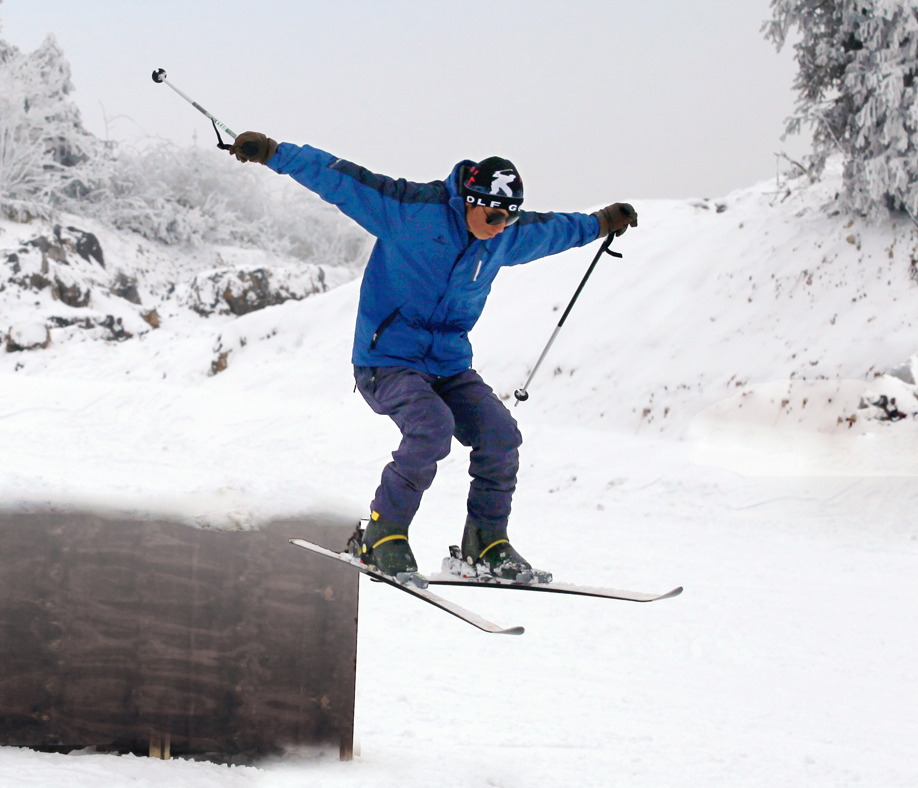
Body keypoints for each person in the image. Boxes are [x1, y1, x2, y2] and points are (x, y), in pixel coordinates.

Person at [227, 131, 637, 586]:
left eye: (509, 217)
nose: (501, 226)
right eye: (495, 215)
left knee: (501, 436)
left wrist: (603, 221)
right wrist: (272, 153)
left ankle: (486, 543)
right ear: (469, 199)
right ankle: (383, 534)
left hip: (448, 365)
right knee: (431, 428)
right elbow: (340, 178)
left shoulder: (502, 236)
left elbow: (557, 230)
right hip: (386, 361)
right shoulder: (410, 211)